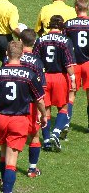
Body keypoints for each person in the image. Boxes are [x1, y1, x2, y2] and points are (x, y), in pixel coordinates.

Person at [0, 41, 47, 193]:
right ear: (21, 55)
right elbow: (39, 99)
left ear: (6, 53)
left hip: (1, 119)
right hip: (19, 119)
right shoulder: (28, 74)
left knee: (4, 152)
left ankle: (4, 184)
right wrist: (43, 114)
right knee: (12, 161)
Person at [33, 15, 76, 151]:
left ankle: (46, 140)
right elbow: (68, 63)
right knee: (63, 107)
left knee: (45, 109)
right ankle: (56, 133)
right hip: (60, 77)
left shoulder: (40, 40)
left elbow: (36, 61)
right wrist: (73, 78)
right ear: (61, 27)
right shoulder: (65, 40)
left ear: (49, 25)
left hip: (44, 77)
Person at [19, 29, 47, 177]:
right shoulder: (37, 62)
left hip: (14, 105)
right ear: (34, 42)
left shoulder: (12, 58)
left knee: (12, 141)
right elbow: (41, 88)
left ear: (20, 41)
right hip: (31, 104)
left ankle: (6, 172)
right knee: (34, 136)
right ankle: (32, 169)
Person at [64, 0, 89, 133]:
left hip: (73, 64)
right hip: (88, 63)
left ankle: (66, 122)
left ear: (76, 8)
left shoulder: (68, 24)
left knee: (71, 94)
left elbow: (64, 44)